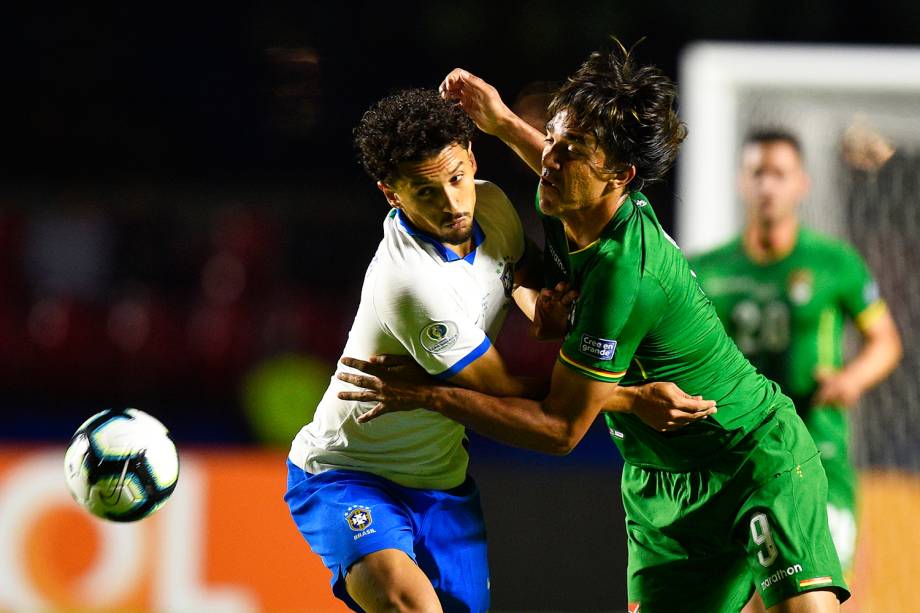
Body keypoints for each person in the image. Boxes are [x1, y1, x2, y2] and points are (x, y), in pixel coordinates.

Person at [338, 43, 851, 611]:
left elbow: (559, 429)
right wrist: (506, 121)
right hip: (660, 483)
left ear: (620, 176)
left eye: (570, 151)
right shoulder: (571, 198)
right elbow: (559, 164)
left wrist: (428, 396)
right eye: (552, 140)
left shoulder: (623, 277)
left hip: (749, 456)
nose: (550, 161)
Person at [283, 87, 711, 613]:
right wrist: (632, 397)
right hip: (349, 472)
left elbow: (520, 273)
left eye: (457, 177)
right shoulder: (413, 285)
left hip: (443, 480)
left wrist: (541, 311)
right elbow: (505, 391)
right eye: (424, 191)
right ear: (391, 194)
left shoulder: (492, 204)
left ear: (472, 158)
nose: (451, 202)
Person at [689, 129, 902, 610]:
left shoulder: (835, 263)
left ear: (801, 183)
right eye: (757, 173)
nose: (768, 186)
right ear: (742, 183)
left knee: (817, 598)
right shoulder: (707, 269)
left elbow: (885, 342)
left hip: (817, 456)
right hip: (737, 461)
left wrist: (852, 379)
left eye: (779, 174)